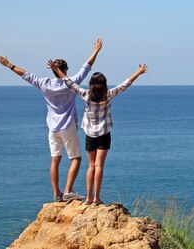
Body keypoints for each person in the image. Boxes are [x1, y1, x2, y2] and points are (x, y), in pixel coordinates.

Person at [0, 38, 103, 202]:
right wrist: (96, 50)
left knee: (55, 159)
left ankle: (56, 194)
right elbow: (87, 66)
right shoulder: (71, 83)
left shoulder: (44, 83)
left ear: (53, 71)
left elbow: (25, 74)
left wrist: (9, 64)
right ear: (65, 70)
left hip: (52, 128)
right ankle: (68, 191)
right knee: (76, 159)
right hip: (67, 126)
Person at [48, 59, 148, 205]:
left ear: (91, 85)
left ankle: (88, 197)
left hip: (90, 134)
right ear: (104, 84)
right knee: (99, 165)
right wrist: (138, 73)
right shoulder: (108, 94)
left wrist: (57, 70)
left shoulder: (85, 94)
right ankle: (96, 198)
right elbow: (125, 84)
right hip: (104, 133)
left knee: (91, 165)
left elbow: (68, 82)